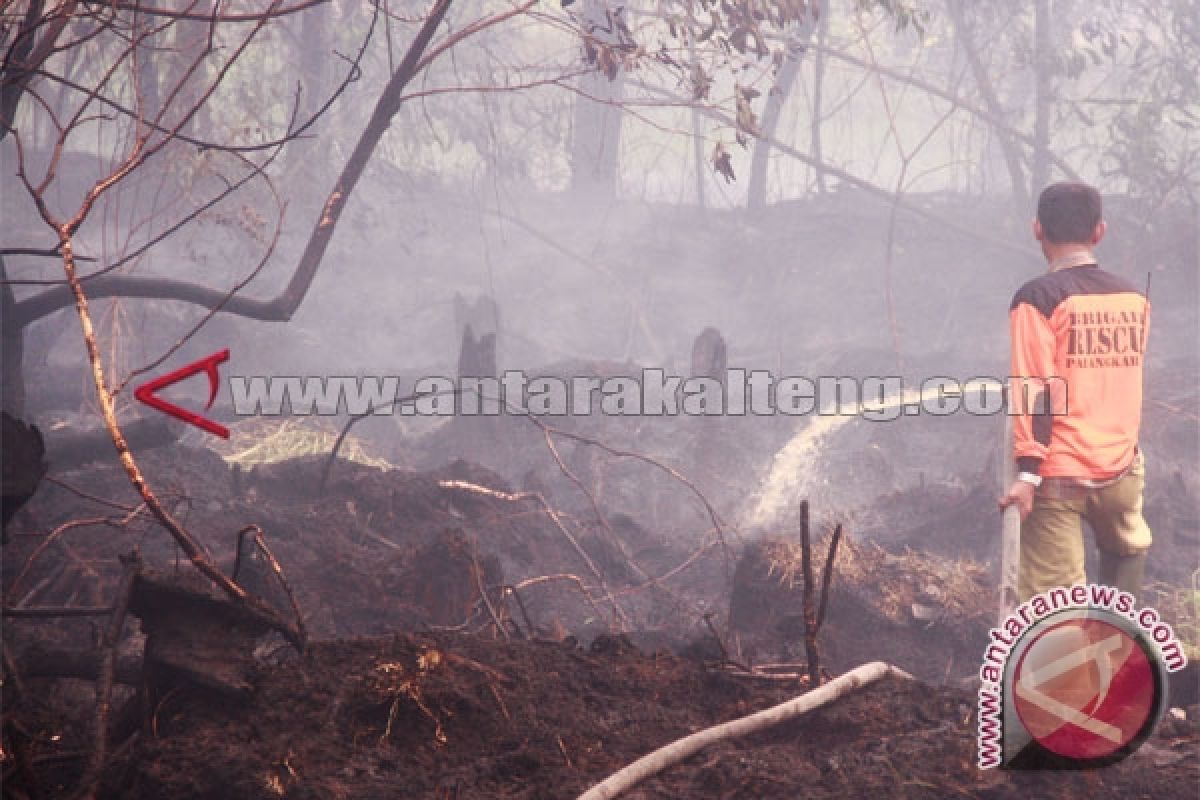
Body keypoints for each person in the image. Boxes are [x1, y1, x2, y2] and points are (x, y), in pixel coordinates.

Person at [999, 182, 1152, 602]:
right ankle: (1118, 660)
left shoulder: (1038, 298)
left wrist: (1027, 474)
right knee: (1126, 566)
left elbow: (1034, 388)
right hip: (1122, 467)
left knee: (1055, 609)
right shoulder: (1134, 298)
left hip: (1058, 475)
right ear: (1099, 231)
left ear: (1037, 230)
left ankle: (1061, 667)